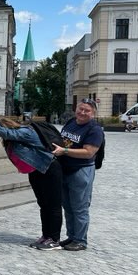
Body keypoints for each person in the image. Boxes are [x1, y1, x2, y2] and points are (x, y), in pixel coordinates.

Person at [0, 116, 63, 250]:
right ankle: (46, 236)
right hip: (36, 171)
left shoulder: (26, 131)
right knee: (43, 204)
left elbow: (7, 133)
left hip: (49, 168)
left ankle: (54, 239)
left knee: (53, 205)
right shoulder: (11, 139)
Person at [51, 98, 103, 251]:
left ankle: (80, 240)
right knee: (67, 205)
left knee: (79, 207)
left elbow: (89, 152)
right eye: (80, 109)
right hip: (65, 168)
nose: (82, 112)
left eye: (87, 110)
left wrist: (65, 151)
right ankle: (72, 236)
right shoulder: (71, 122)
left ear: (93, 114)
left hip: (81, 170)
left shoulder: (94, 129)